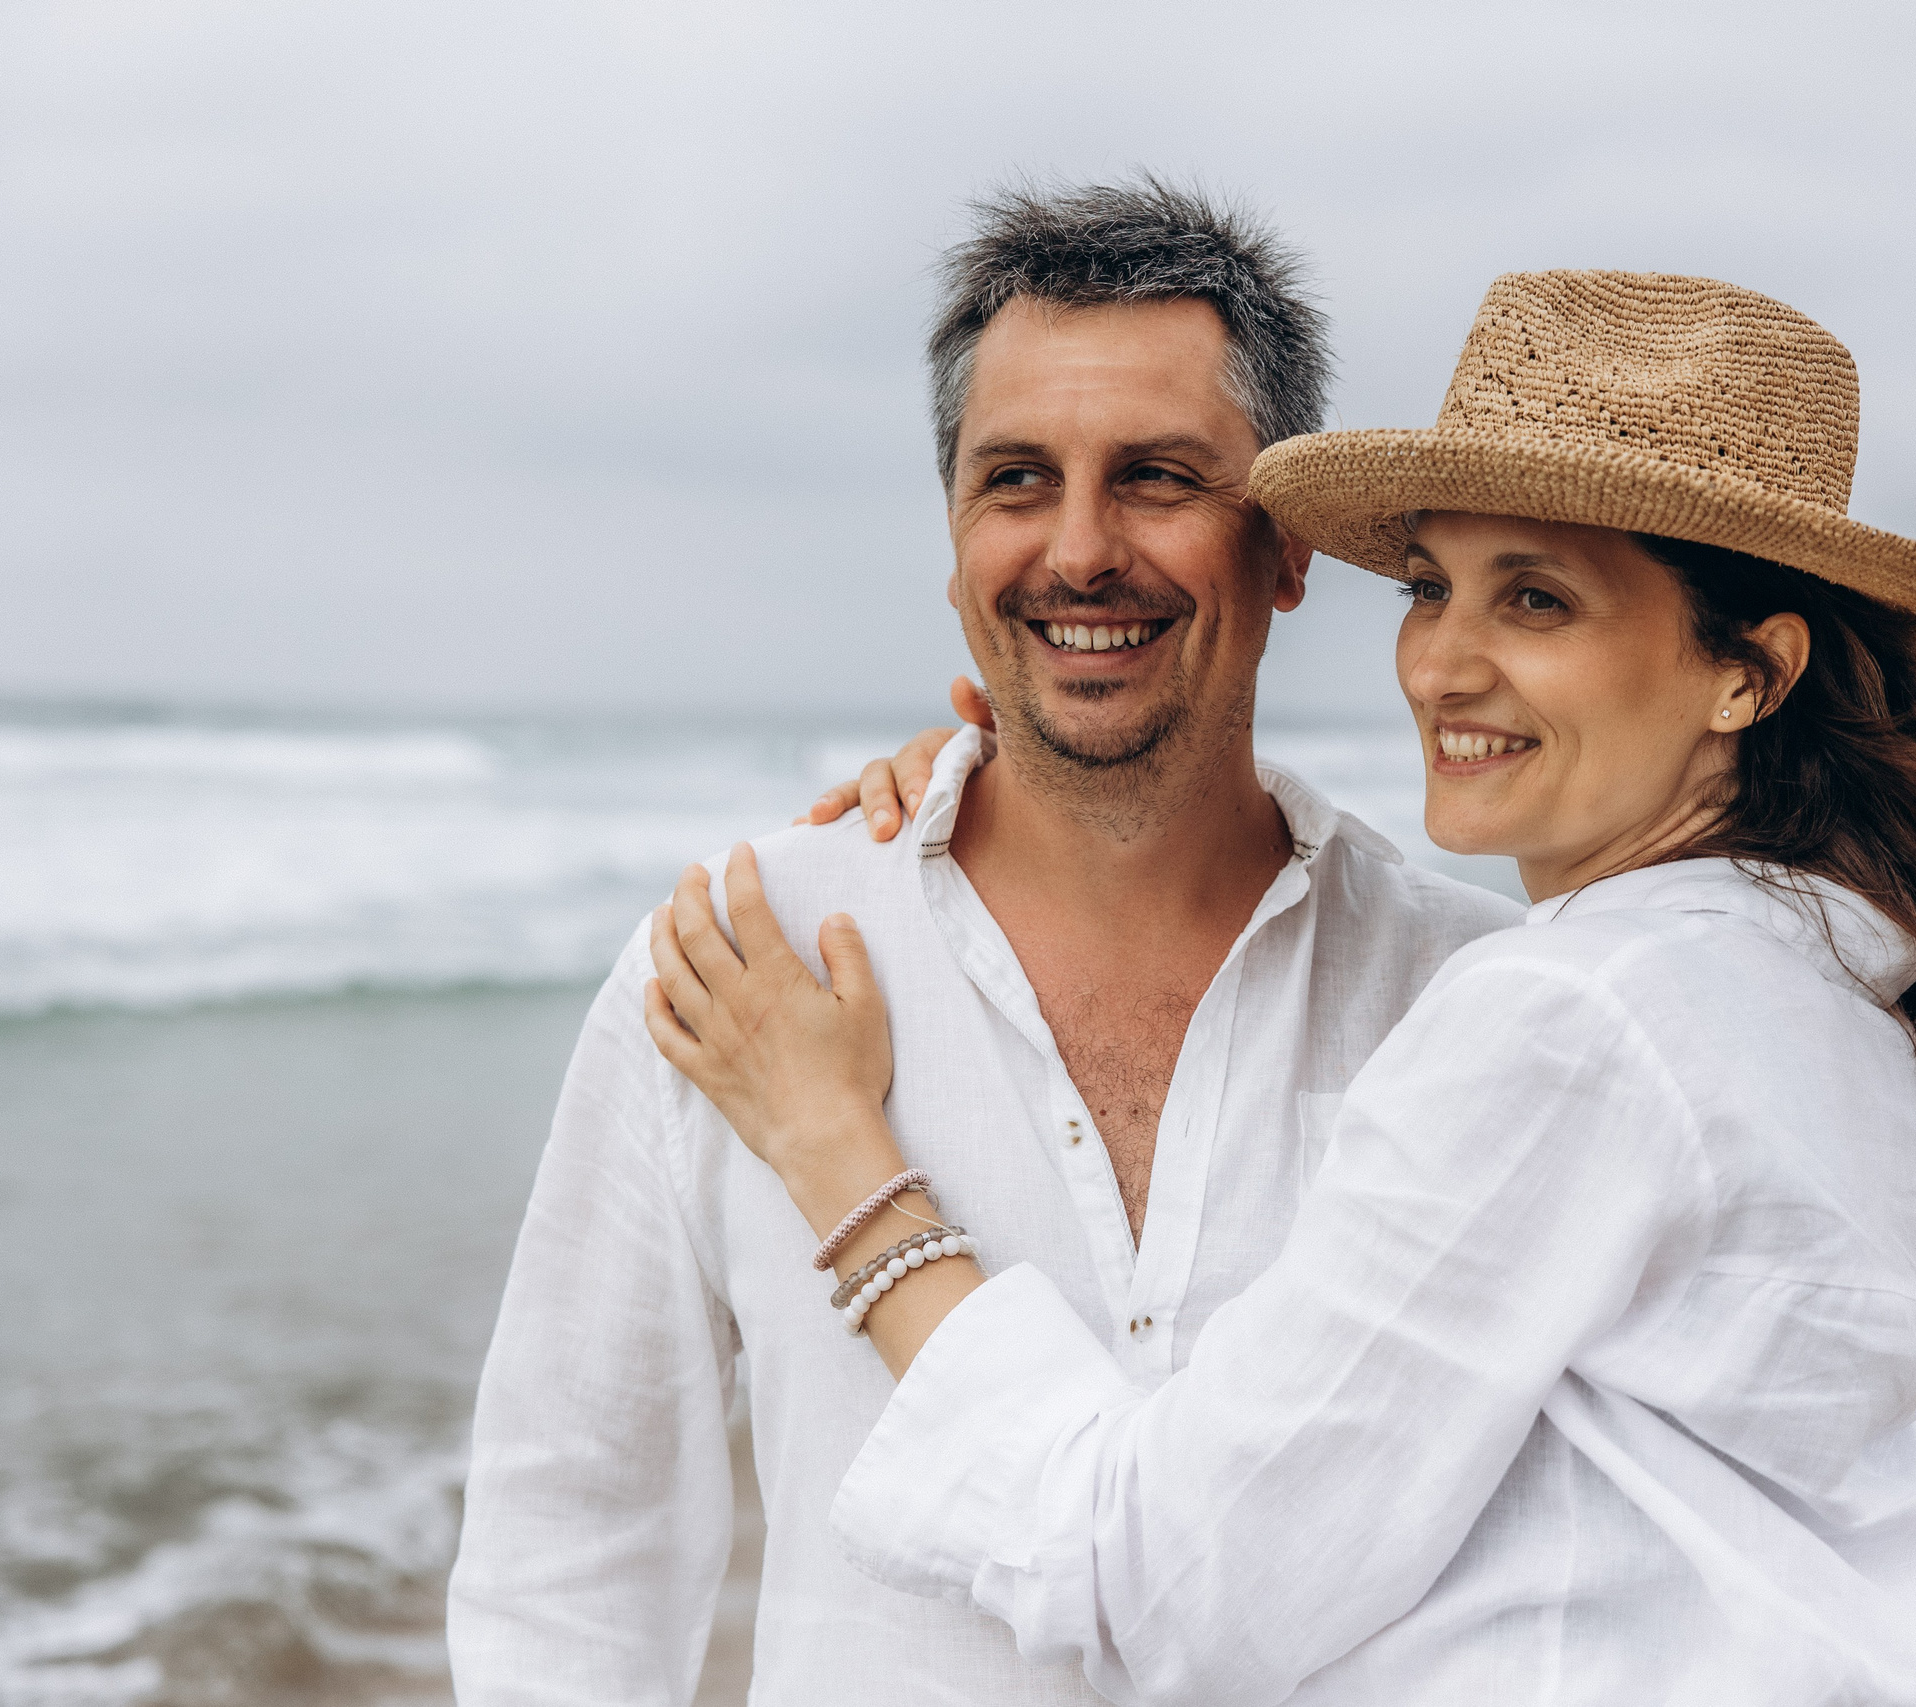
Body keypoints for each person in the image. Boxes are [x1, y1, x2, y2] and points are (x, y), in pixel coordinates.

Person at [644, 272, 1916, 1705]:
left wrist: (842, 1162)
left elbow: (1171, 1591)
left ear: (1749, 672)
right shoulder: (1816, 993)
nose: (1440, 666)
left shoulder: (1576, 1018)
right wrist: (1027, 778)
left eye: (1537, 601)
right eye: (1433, 588)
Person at [444, 180, 1522, 1705]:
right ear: (954, 543)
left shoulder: (1474, 1001)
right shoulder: (743, 967)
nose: (1079, 551)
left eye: (1156, 478)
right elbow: (568, 1556)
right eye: (1016, 480)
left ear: (1285, 549)